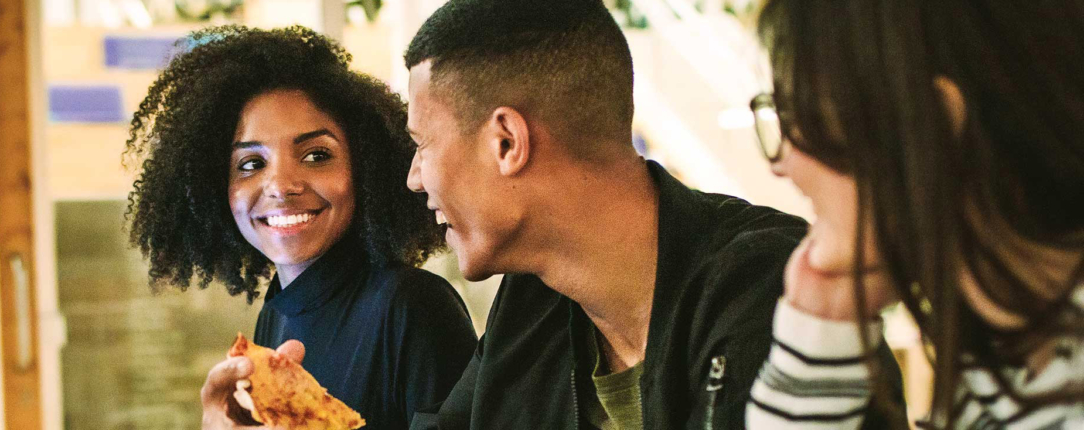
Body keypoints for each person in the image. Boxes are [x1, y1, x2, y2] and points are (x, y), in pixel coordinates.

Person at [395, 0, 909, 428]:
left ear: (507, 142)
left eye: (423, 144)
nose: (414, 177)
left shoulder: (771, 295)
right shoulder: (530, 303)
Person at [744, 0, 1084, 428]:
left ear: (932, 128)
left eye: (798, 116)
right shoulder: (1008, 363)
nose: (782, 163)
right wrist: (821, 321)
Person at [122, 25, 478, 429]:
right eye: (251, 164)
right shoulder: (276, 313)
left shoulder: (413, 308)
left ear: (365, 167)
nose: (281, 186)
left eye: (315, 155)